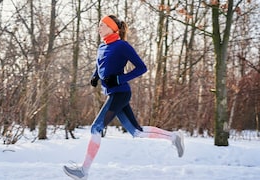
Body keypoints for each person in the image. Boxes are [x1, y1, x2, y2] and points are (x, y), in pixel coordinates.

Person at [63, 15, 184, 180]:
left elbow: (142, 68)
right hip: (113, 93)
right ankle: (173, 136)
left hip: (121, 92)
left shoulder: (122, 46)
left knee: (96, 128)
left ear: (113, 28)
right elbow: (100, 64)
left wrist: (119, 79)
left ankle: (83, 171)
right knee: (136, 132)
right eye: (98, 25)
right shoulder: (102, 46)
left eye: (102, 25)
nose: (99, 28)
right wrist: (95, 76)